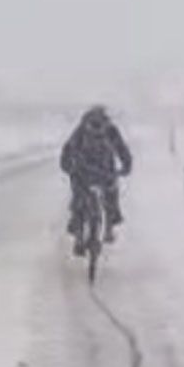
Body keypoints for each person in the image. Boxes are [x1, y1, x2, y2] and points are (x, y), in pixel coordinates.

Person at [60, 106, 132, 255]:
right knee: (111, 196)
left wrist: (68, 167)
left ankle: (77, 230)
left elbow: (68, 150)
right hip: (105, 172)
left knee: (78, 200)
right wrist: (126, 167)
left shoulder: (81, 130)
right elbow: (122, 150)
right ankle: (110, 225)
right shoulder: (111, 130)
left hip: (83, 173)